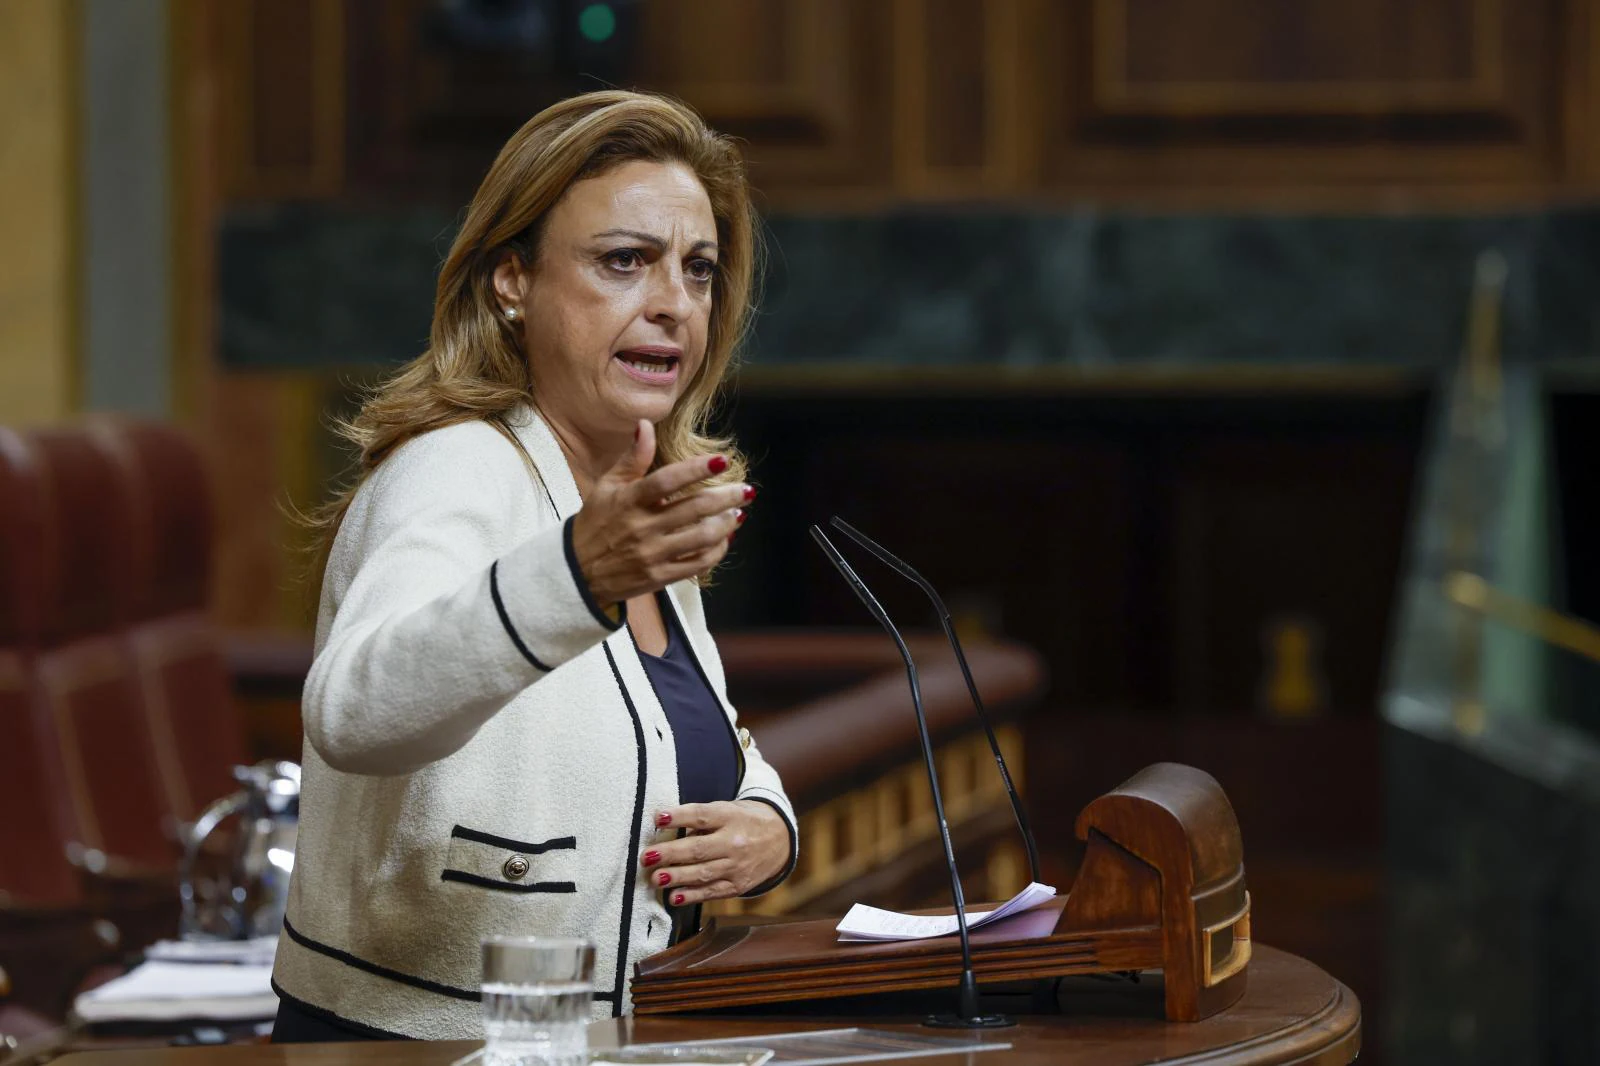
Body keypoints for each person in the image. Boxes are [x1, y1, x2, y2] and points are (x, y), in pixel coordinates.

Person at [270, 90, 797, 1042]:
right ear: (512, 281)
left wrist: (768, 818)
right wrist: (578, 577)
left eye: (700, 270)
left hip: (572, 1036)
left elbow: (663, 732)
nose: (675, 303)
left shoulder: (635, 491)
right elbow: (351, 710)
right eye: (624, 261)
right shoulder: (455, 466)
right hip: (415, 1046)